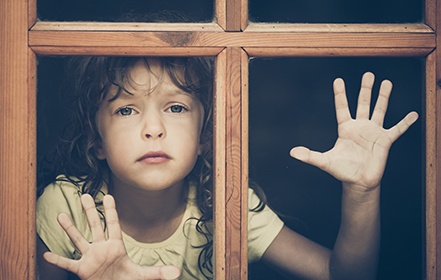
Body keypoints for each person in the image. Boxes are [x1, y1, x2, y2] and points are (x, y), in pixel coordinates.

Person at [36, 56, 418, 280]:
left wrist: (362, 192)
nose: (154, 129)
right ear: (96, 141)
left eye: (176, 107)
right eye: (126, 109)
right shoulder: (68, 207)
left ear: (205, 135)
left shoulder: (225, 205)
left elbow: (344, 276)